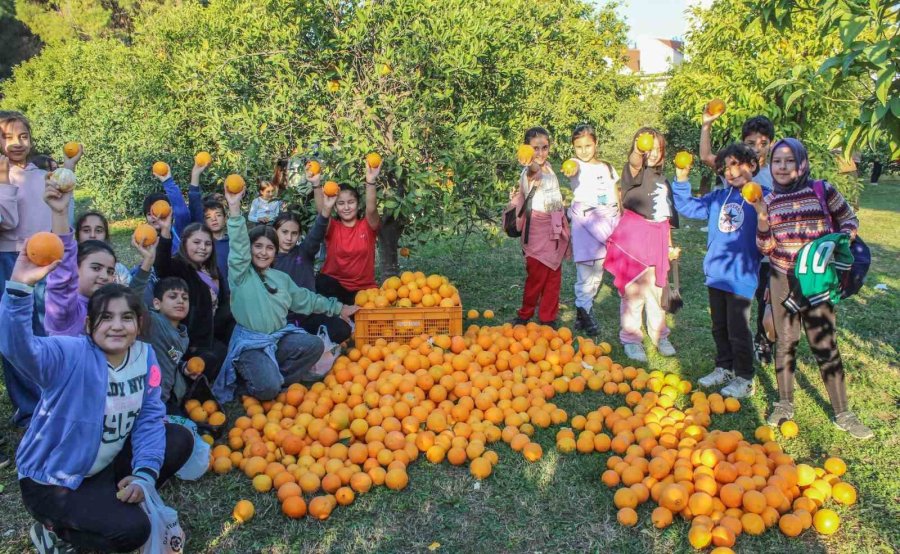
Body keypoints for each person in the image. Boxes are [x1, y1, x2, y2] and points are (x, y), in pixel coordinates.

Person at [0, 249, 193, 553]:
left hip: (102, 463)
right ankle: (54, 530)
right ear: (89, 325)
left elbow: (149, 416)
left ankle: (116, 496)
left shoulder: (145, 357)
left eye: (126, 317)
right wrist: (19, 288)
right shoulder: (70, 354)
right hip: (55, 480)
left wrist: (144, 474)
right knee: (133, 531)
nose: (117, 326)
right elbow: (18, 348)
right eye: (106, 317)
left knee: (180, 438)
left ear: (138, 325)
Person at [750, 138, 873, 439]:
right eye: (777, 161)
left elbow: (849, 219)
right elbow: (765, 247)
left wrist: (836, 243)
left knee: (824, 344)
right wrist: (763, 217)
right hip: (782, 278)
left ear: (801, 163)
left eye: (789, 160)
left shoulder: (822, 190)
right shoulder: (769, 200)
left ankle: (843, 413)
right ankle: (783, 404)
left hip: (816, 279)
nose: (782, 166)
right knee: (785, 342)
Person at [214, 187, 357, 402]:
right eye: (258, 247)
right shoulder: (241, 274)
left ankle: (277, 376)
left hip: (278, 337)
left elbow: (306, 299)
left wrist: (339, 308)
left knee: (314, 345)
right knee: (269, 389)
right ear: (250, 250)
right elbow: (238, 246)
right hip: (251, 343)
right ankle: (251, 379)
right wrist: (234, 208)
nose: (263, 252)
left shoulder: (279, 278)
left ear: (274, 252)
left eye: (269, 248)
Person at [0, 112, 81, 428]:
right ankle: (29, 408)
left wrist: (68, 167)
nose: (16, 143)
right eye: (6, 137)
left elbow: (63, 211)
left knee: (49, 327)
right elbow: (6, 221)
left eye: (22, 136)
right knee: (15, 332)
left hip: (47, 260)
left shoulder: (41, 174)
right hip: (9, 260)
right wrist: (4, 177)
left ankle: (56, 397)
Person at [673, 143, 768, 398]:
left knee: (738, 329)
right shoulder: (718, 198)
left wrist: (762, 210)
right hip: (717, 274)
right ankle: (724, 366)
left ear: (753, 166)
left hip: (741, 276)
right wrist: (682, 179)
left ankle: (745, 377)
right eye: (726, 167)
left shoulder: (763, 196)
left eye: (737, 164)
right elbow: (688, 207)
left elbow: (769, 229)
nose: (731, 171)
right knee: (719, 327)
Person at [702, 111, 777, 362]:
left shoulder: (776, 173)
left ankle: (763, 343)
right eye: (751, 143)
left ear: (771, 145)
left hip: (770, 249)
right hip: (740, 248)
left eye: (763, 143)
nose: (757, 148)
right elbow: (706, 157)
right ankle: (731, 358)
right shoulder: (736, 169)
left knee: (766, 302)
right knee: (736, 311)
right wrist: (707, 125)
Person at [604, 127, 679, 362]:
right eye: (649, 148)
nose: (653, 154)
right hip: (635, 240)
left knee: (658, 292)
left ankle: (660, 335)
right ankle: (631, 338)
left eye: (658, 149)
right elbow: (635, 161)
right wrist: (639, 150)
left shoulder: (664, 180)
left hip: (658, 241)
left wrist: (669, 246)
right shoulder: (634, 172)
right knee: (633, 294)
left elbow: (666, 218)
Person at [43, 183, 154, 337]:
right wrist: (60, 213)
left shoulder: (106, 305)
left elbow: (130, 297)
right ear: (75, 269)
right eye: (96, 268)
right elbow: (61, 275)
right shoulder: (67, 310)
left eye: (110, 271)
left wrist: (148, 261)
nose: (104, 276)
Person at [154, 212, 232, 384]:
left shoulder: (213, 270)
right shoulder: (179, 267)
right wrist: (165, 231)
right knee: (209, 360)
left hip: (211, 334)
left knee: (227, 353)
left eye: (207, 243)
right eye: (196, 242)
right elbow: (161, 266)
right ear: (184, 243)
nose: (202, 248)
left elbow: (223, 303)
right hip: (189, 341)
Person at [509, 127, 571, 329]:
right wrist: (530, 163)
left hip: (554, 230)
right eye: (535, 148)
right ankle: (525, 314)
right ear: (527, 149)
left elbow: (553, 198)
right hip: (537, 230)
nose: (541, 153)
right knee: (536, 277)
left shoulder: (550, 169)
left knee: (553, 276)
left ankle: (547, 318)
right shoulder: (530, 172)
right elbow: (533, 170)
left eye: (544, 147)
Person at [564, 124, 620, 335]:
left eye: (588, 145)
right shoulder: (575, 165)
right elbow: (571, 167)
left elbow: (615, 192)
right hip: (585, 222)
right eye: (579, 146)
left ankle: (582, 311)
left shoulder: (606, 167)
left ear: (596, 144)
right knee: (585, 270)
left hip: (607, 220)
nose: (584, 150)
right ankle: (585, 311)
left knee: (599, 270)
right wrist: (571, 165)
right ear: (573, 148)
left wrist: (618, 216)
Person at [273, 198, 352, 344]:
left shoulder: (303, 252)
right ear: (274, 231)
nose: (289, 238)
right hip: (281, 320)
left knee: (342, 329)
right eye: (284, 232)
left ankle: (314, 345)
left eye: (294, 233)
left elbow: (316, 234)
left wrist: (326, 209)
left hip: (309, 315)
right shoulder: (267, 260)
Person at [315, 158, 382, 306]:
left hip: (363, 291)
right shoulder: (332, 227)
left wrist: (370, 181)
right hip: (334, 289)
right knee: (321, 281)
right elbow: (322, 212)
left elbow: (371, 209)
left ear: (358, 205)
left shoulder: (367, 226)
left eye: (350, 202)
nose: (346, 207)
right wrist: (316, 185)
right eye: (341, 203)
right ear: (335, 207)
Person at [143, 276, 195, 411]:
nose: (180, 301)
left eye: (185, 298)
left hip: (164, 398)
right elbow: (132, 301)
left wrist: (184, 367)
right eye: (173, 297)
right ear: (156, 303)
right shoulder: (152, 322)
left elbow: (172, 357)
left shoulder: (184, 335)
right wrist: (145, 268)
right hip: (145, 399)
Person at [75, 211, 133, 285]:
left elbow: (130, 293)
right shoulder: (68, 265)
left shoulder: (118, 270)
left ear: (106, 236)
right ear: (78, 235)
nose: (92, 235)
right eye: (86, 230)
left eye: (98, 231)